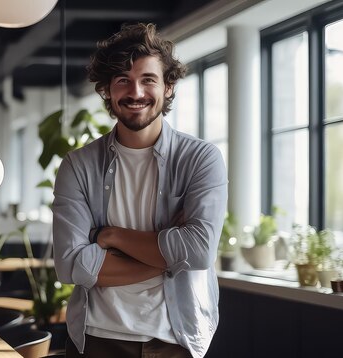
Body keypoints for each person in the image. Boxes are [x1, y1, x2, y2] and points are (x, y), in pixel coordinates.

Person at [52, 23, 228, 358]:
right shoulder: (78, 166)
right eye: (122, 80)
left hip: (174, 339)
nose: (136, 92)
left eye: (148, 79)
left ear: (169, 87)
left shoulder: (201, 159)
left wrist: (113, 236)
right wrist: (172, 253)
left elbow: (200, 251)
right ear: (107, 90)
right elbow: (71, 265)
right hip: (96, 339)